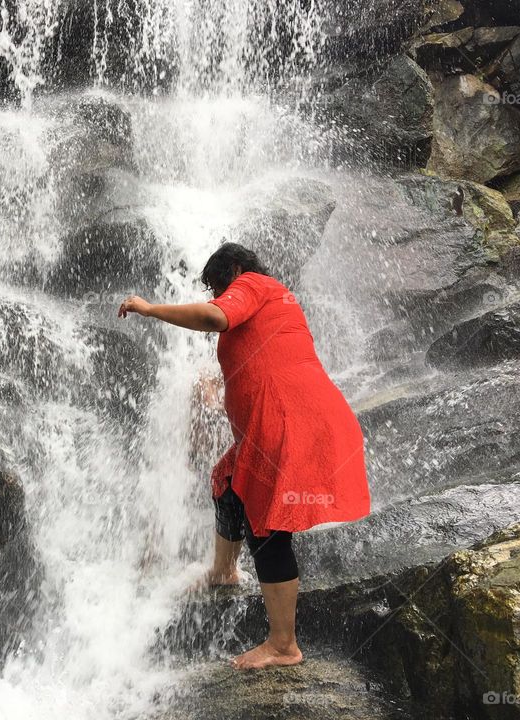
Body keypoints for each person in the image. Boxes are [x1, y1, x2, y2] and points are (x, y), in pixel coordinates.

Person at [117, 242, 370, 670]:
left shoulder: (254, 284)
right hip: (282, 419)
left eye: (217, 285)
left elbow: (216, 317)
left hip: (288, 420)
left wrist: (149, 308)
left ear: (234, 269)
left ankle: (283, 645)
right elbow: (258, 362)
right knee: (227, 479)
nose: (217, 297)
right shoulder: (274, 301)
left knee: (268, 523)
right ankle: (223, 571)